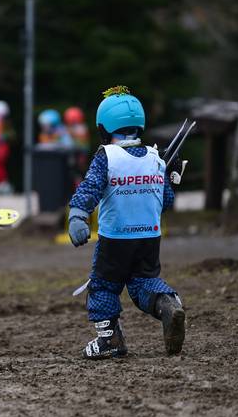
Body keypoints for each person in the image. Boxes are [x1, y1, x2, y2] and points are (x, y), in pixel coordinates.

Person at [67, 85, 185, 359]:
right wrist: (170, 176)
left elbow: (90, 188)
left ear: (104, 127)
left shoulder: (107, 157)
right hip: (149, 238)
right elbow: (165, 202)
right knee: (144, 282)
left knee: (103, 286)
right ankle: (168, 304)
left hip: (115, 239)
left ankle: (110, 340)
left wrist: (77, 215)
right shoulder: (156, 158)